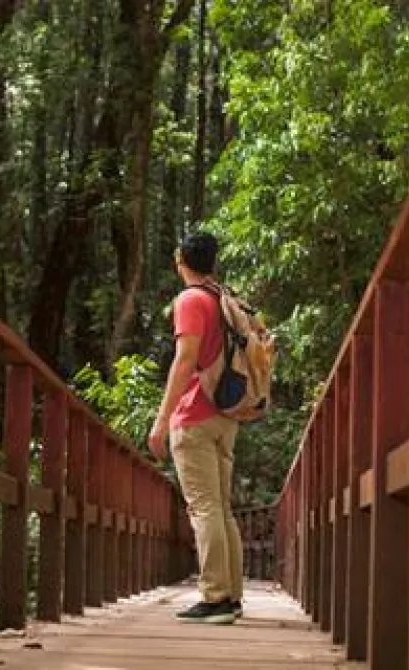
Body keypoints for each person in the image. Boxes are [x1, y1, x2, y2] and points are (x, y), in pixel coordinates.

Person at [148, 232, 243, 625]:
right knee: (222, 509)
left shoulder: (189, 300)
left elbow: (185, 360)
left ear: (180, 259)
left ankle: (215, 597)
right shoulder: (224, 299)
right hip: (225, 414)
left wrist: (161, 420)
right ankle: (232, 595)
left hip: (195, 416)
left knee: (203, 508)